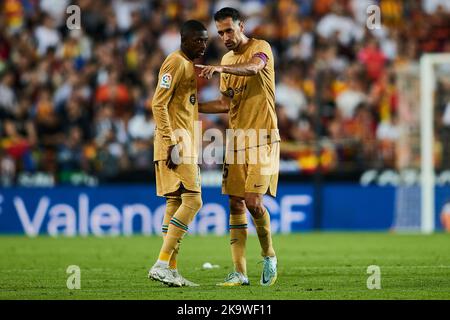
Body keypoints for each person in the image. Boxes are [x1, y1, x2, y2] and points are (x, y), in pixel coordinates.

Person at [196, 7, 280, 286]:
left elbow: (254, 68)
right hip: (237, 140)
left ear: (241, 25)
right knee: (235, 201)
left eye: (229, 30)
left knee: (254, 202)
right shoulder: (227, 58)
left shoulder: (261, 48)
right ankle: (239, 272)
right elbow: (224, 103)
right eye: (220, 33)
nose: (225, 36)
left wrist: (221, 68)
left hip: (263, 137)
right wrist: (190, 104)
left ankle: (268, 254)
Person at [147, 20, 208, 287]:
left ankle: (170, 269)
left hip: (184, 143)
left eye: (205, 40)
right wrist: (171, 141)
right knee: (194, 201)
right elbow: (157, 103)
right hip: (176, 144)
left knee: (174, 203)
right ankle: (161, 263)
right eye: (198, 40)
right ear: (184, 39)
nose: (203, 45)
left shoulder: (188, 65)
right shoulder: (174, 62)